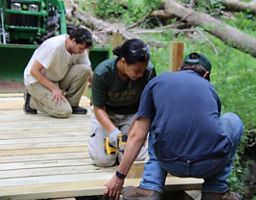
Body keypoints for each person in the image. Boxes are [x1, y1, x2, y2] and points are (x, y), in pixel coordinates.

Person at [104, 52, 244, 200]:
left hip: (170, 162)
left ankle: (150, 187)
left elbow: (138, 135)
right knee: (232, 119)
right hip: (209, 165)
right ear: (206, 75)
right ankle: (216, 191)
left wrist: (119, 176)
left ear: (179, 68)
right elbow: (213, 133)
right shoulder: (209, 88)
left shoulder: (157, 82)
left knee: (157, 120)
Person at [88, 39, 156, 167]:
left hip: (133, 114)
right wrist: (113, 131)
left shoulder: (149, 71)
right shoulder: (103, 72)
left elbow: (148, 104)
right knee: (103, 161)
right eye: (137, 70)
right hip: (107, 114)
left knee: (136, 159)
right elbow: (98, 108)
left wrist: (134, 128)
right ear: (123, 61)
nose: (141, 74)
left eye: (144, 69)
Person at [23, 27, 93, 118]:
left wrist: (97, 95)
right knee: (64, 111)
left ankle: (72, 104)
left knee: (85, 70)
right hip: (36, 81)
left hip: (56, 78)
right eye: (81, 49)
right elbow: (34, 71)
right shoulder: (54, 46)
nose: (82, 52)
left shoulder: (80, 50)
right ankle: (31, 101)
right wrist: (54, 89)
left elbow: (89, 72)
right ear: (74, 41)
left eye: (84, 50)